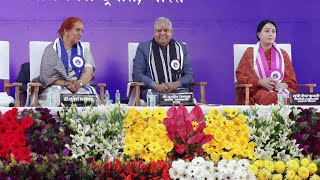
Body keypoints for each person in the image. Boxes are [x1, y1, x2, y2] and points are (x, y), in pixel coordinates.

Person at [34, 17, 98, 106]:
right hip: (58, 86)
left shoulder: (84, 50)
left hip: (79, 85)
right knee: (57, 96)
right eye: (77, 30)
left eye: (82, 31)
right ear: (66, 30)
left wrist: (79, 83)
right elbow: (48, 77)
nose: (80, 34)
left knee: (91, 96)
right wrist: (66, 83)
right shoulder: (51, 49)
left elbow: (88, 72)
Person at [132, 17, 194, 104]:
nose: (162, 33)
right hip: (153, 91)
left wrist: (176, 84)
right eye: (158, 30)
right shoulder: (143, 48)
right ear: (153, 32)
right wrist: (155, 85)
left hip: (178, 91)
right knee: (158, 100)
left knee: (185, 99)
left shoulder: (181, 48)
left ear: (172, 32)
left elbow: (189, 75)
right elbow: (137, 74)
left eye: (166, 30)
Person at [236, 19, 298, 105]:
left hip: (280, 89)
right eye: (267, 31)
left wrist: (283, 85)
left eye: (273, 31)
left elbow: (291, 80)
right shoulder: (250, 53)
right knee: (271, 97)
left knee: (293, 97)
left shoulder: (283, 54)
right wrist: (260, 82)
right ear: (259, 34)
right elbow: (240, 76)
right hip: (258, 90)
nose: (270, 34)